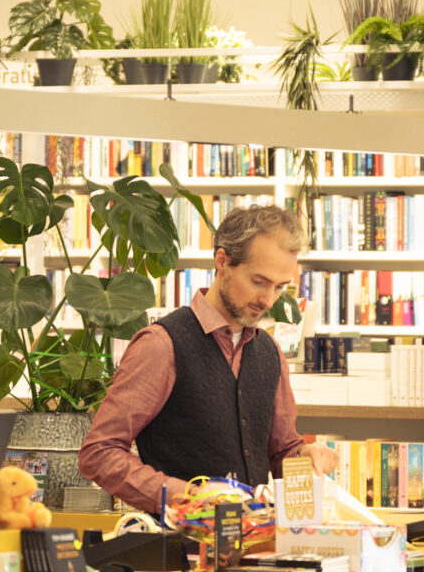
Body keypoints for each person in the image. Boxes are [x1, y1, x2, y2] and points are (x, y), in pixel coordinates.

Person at [78, 203, 336, 518]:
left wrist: (305, 454)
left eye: (280, 287)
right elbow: (99, 453)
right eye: (259, 281)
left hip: (254, 551)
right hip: (176, 553)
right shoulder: (161, 345)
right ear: (222, 261)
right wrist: (187, 496)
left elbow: (281, 450)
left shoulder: (270, 352)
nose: (268, 300)